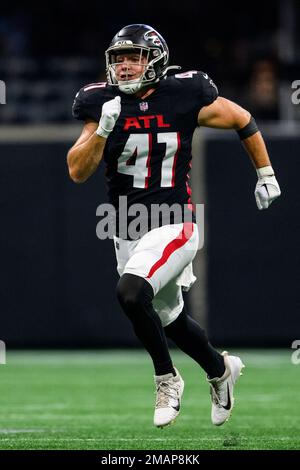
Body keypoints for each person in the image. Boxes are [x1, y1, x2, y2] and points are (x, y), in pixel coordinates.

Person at [67, 24, 281, 428]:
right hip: (124, 224)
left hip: (174, 221)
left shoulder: (185, 91)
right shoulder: (99, 101)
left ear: (155, 60)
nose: (125, 66)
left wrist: (265, 173)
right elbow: (77, 171)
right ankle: (221, 370)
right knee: (168, 316)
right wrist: (105, 130)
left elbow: (241, 118)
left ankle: (167, 378)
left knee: (130, 293)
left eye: (134, 57)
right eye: (118, 58)